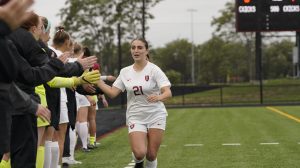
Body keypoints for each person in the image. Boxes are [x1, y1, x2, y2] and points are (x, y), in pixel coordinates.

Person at [97, 38, 172, 168]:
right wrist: (98, 81)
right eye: (133, 48)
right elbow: (112, 93)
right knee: (139, 153)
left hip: (156, 115)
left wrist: (159, 97)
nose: (136, 50)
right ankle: (138, 163)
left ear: (146, 50)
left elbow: (168, 92)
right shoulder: (125, 72)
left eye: (140, 47)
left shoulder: (154, 70)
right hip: (135, 116)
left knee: (151, 155)